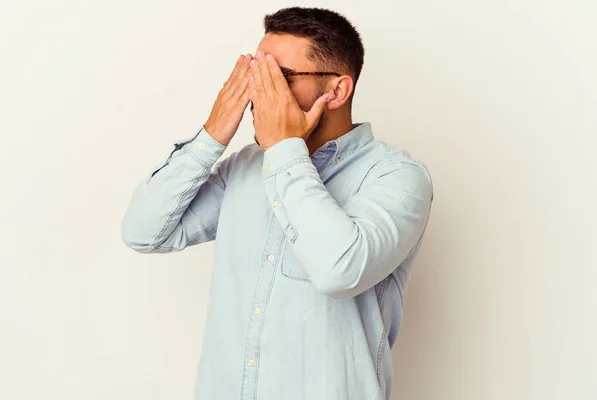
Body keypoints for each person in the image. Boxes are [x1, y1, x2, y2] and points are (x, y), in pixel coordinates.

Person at [121, 6, 434, 400]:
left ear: (337, 91)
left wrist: (285, 149)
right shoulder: (246, 167)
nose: (261, 92)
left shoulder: (397, 176)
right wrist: (212, 136)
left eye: (281, 77)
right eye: (257, 73)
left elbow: (340, 270)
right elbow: (143, 232)